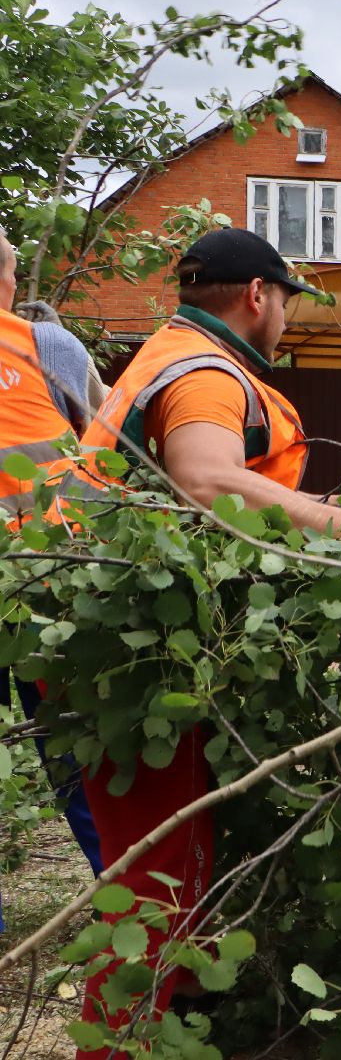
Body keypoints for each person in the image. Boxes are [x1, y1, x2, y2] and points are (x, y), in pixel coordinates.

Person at [73, 228, 341, 1057]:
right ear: (259, 295)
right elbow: (206, 480)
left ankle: (188, 1027)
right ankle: (116, 1046)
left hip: (135, 642)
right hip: (126, 656)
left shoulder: (175, 351)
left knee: (180, 868)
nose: (287, 319)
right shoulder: (204, 372)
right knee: (154, 885)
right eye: (289, 301)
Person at [0, 226, 107, 920]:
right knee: (81, 751)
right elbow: (110, 444)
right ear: (7, 279)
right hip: (50, 581)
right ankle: (135, 900)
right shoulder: (43, 344)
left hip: (45, 579)